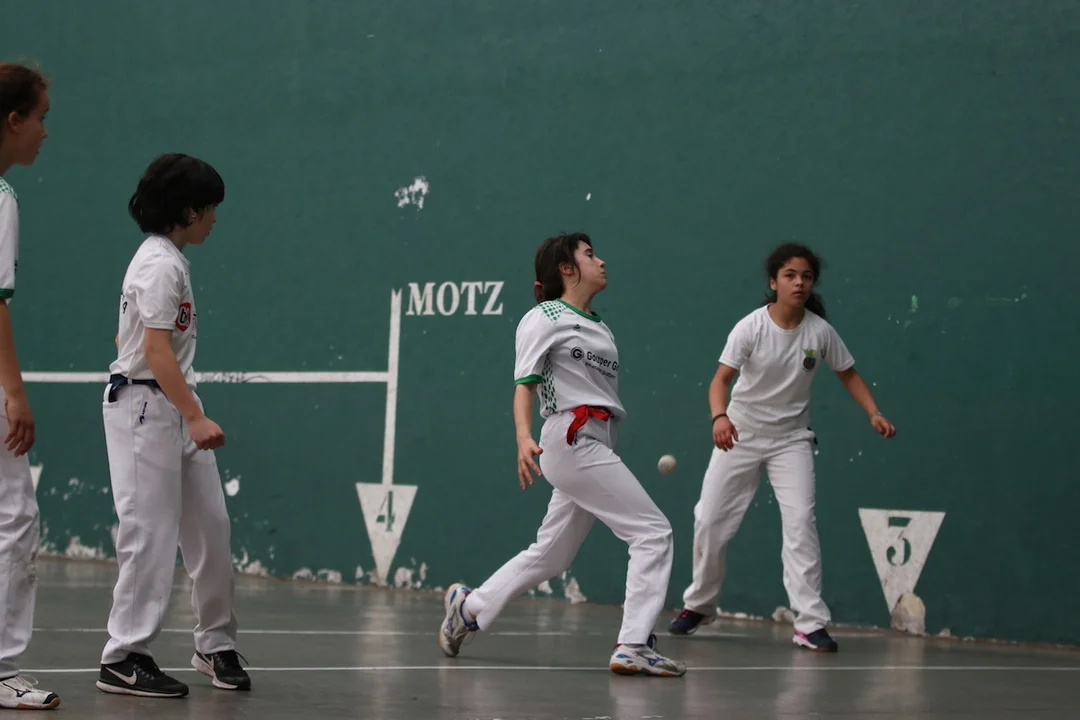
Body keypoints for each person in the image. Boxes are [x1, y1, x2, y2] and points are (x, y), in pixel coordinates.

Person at [437, 232, 686, 677]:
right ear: (567, 269)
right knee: (652, 532)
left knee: (551, 555)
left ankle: (468, 608)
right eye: (590, 255)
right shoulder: (543, 317)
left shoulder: (600, 326)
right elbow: (525, 384)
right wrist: (522, 437)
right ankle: (634, 644)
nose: (601, 261)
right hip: (571, 440)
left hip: (596, 441)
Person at [669, 242, 896, 652]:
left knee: (801, 522)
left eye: (806, 277)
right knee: (710, 520)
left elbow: (848, 373)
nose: (799, 283)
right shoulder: (751, 327)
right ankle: (700, 604)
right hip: (740, 434)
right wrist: (720, 418)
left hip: (791, 440)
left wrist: (874, 412)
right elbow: (721, 380)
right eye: (790, 275)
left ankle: (809, 623)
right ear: (774, 282)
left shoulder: (820, 332)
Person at [96, 153, 250, 698]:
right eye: (209, 208)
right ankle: (123, 656)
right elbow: (156, 352)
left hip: (168, 401)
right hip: (146, 409)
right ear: (187, 211)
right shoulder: (160, 264)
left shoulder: (168, 261)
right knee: (148, 535)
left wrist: (183, 409)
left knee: (211, 528)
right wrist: (195, 416)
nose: (215, 218)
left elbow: (129, 339)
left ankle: (215, 644)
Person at [0, 60, 60, 711]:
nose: (45, 132)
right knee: (14, 518)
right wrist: (15, 393)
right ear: (12, 120)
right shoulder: (1, 197)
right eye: (40, 118)